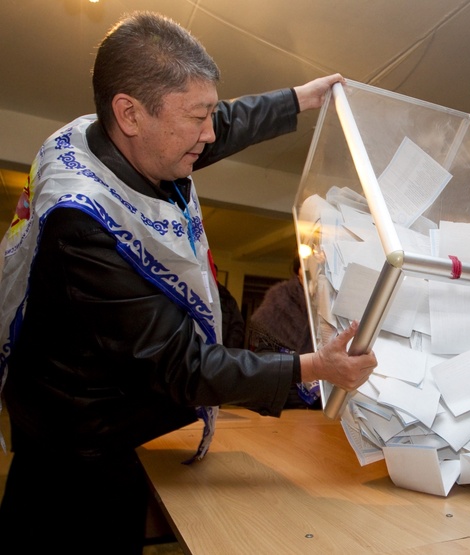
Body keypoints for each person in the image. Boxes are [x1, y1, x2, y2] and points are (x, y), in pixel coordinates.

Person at [0, 12, 377, 553]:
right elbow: (180, 365)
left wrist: (302, 97)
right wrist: (314, 368)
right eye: (198, 117)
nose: (210, 132)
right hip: (78, 445)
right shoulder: (80, 223)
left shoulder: (116, 135)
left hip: (101, 413)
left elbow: (224, 123)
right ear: (129, 113)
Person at [250, 255, 319, 408]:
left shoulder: (328, 303)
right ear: (298, 271)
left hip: (323, 398)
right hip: (284, 393)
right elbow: (264, 354)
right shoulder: (279, 298)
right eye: (306, 267)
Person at [216, 270, 246, 349]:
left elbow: (237, 327)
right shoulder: (192, 295)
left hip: (220, 352)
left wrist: (227, 351)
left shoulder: (228, 300)